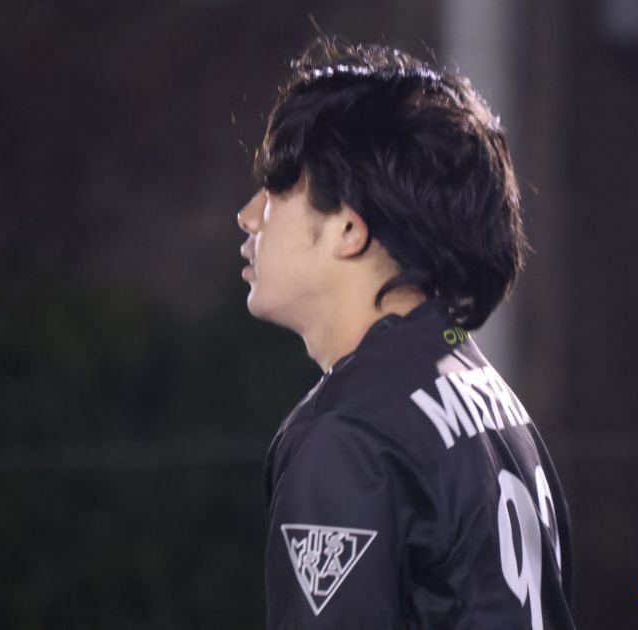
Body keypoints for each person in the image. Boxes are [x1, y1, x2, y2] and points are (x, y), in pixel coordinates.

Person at [236, 35, 576, 630]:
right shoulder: (491, 397)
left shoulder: (349, 433)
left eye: (278, 189)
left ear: (349, 229)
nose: (248, 216)